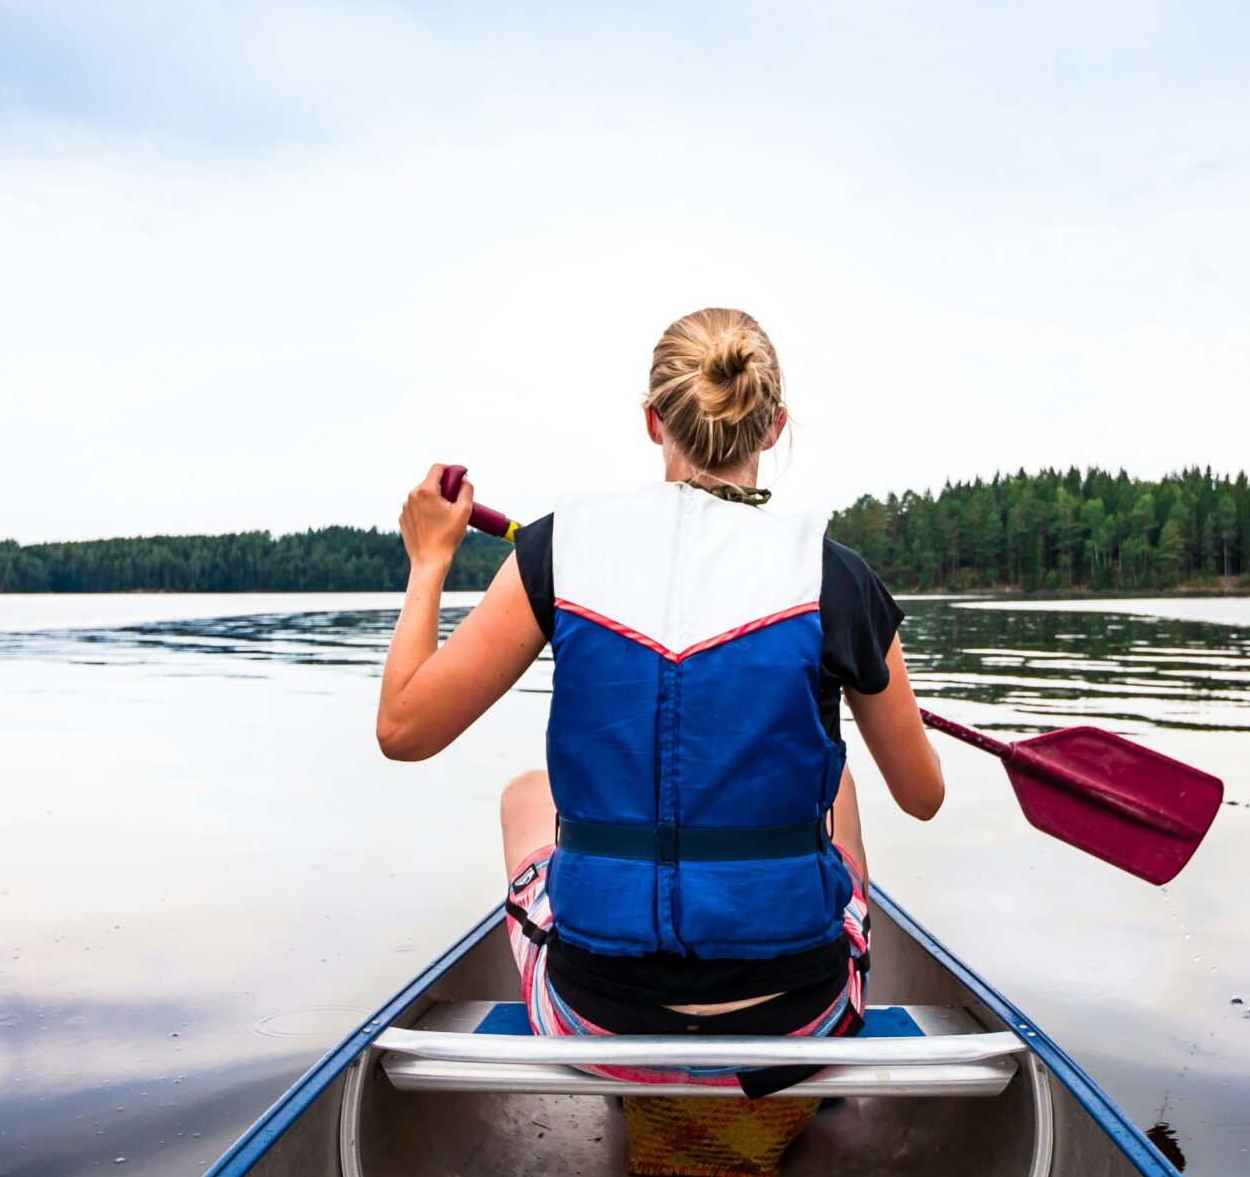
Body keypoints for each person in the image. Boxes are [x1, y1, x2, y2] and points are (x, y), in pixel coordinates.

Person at [374, 307, 944, 1097]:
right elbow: (923, 796)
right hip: (796, 1022)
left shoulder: (555, 548)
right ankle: (807, 1070)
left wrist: (430, 558)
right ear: (772, 426)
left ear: (652, 421)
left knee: (524, 797)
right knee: (839, 786)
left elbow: (403, 727)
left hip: (594, 1021)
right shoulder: (836, 574)